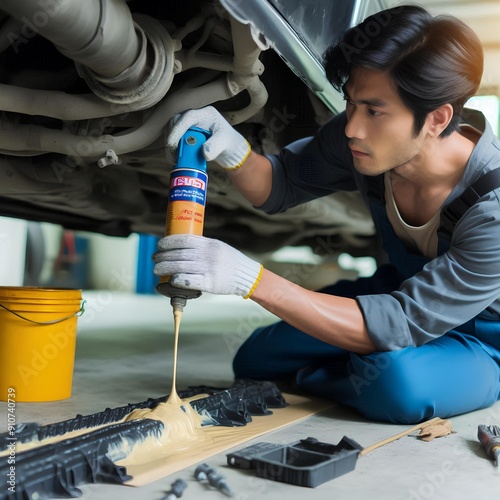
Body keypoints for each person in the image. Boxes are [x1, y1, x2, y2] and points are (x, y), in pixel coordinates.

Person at [153, 4, 500, 424]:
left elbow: (403, 321)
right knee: (257, 359)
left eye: (374, 110)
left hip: (479, 338)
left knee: (396, 384)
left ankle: (368, 362)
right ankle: (356, 357)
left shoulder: (492, 211)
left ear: (437, 118)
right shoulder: (363, 141)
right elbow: (281, 183)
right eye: (350, 103)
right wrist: (231, 149)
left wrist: (252, 280)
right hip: (397, 293)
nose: (352, 126)